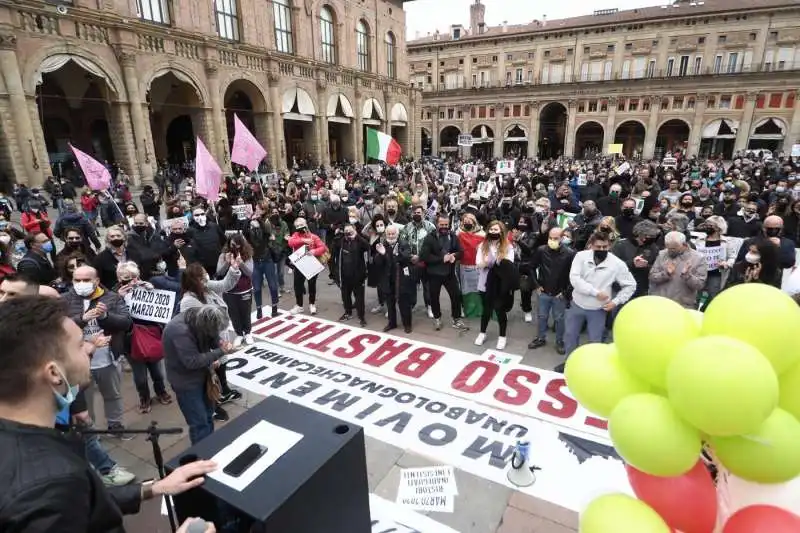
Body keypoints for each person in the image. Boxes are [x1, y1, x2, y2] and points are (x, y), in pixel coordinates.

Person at [0, 296, 219, 532]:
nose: (89, 347)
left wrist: (153, 488)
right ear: (54, 373)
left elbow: (85, 502)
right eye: (79, 344)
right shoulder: (50, 485)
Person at [62, 265, 134, 437]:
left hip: (107, 358)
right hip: (78, 362)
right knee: (84, 401)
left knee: (113, 395)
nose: (81, 284)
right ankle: (90, 432)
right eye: (77, 280)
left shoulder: (112, 298)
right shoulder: (63, 300)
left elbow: (126, 323)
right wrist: (81, 319)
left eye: (86, 280)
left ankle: (115, 426)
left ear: (96, 281)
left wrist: (105, 317)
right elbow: (57, 327)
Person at [163, 304, 236, 445]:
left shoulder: (202, 316)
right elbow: (192, 361)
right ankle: (202, 456)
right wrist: (221, 352)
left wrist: (220, 343)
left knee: (208, 415)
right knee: (199, 423)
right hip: (186, 383)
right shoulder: (179, 331)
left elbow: (212, 336)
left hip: (203, 376)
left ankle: (209, 447)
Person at [561, 231, 636, 369]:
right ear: (591, 245)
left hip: (598, 310)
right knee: (570, 335)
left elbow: (631, 285)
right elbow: (575, 279)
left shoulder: (617, 264)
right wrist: (595, 292)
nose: (602, 250)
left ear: (609, 246)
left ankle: (590, 367)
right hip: (577, 304)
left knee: (595, 341)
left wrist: (616, 301)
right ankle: (569, 362)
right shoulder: (580, 256)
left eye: (605, 247)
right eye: (598, 247)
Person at [179, 262, 243, 420]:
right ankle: (212, 405)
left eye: (205, 274)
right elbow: (199, 328)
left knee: (222, 363)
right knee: (208, 375)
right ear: (194, 280)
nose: (206, 278)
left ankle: (224, 391)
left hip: (219, 336)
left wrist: (234, 268)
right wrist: (211, 351)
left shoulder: (206, 287)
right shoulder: (189, 301)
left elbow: (225, 284)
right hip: (207, 342)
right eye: (202, 277)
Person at [115, 261, 173, 414]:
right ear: (119, 279)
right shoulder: (114, 295)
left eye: (135, 277)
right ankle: (144, 398)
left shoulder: (146, 289)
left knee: (157, 372)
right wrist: (118, 298)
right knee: (140, 376)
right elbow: (112, 318)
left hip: (151, 336)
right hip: (131, 341)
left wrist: (153, 292)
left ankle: (161, 392)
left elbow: (160, 312)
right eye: (127, 278)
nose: (132, 281)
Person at [527, 227, 576, 354]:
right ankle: (540, 338)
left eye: (555, 238)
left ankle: (560, 341)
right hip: (543, 291)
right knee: (542, 316)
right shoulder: (541, 250)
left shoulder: (570, 254)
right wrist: (536, 285)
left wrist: (565, 292)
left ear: (562, 238)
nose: (552, 240)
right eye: (550, 238)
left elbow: (574, 275)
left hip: (560, 294)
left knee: (559, 319)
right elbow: (531, 267)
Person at [420, 214, 468, 331]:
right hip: (434, 274)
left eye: (446, 224)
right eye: (442, 224)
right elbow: (424, 256)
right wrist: (441, 259)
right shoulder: (430, 238)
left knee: (456, 295)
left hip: (449, 273)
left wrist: (454, 256)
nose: (444, 227)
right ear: (437, 224)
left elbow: (461, 251)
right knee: (434, 297)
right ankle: (437, 318)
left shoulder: (453, 236)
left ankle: (456, 319)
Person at [474, 221, 515, 350]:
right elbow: (478, 264)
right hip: (485, 283)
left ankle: (502, 337)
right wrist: (489, 263)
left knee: (500, 311)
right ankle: (482, 333)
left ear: (501, 232)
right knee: (486, 310)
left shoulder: (508, 247)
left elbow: (508, 265)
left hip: (500, 284)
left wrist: (493, 262)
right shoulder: (482, 245)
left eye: (496, 230)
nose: (493, 232)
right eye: (491, 229)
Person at [649, 232, 708, 309]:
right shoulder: (662, 254)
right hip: (661, 303)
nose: (670, 251)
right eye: (668, 248)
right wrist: (666, 274)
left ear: (684, 244)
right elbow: (652, 277)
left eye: (673, 248)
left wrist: (687, 275)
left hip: (683, 305)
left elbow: (699, 285)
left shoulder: (698, 258)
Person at [217, 233, 255, 346]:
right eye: (233, 245)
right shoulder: (223, 256)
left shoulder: (247, 255)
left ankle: (247, 333)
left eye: (238, 245)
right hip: (229, 291)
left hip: (244, 289)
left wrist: (241, 263)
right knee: (234, 314)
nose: (235, 248)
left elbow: (250, 272)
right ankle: (239, 334)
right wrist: (227, 262)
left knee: (245, 313)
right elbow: (219, 272)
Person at [287, 217, 328, 315]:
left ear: (306, 225)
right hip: (299, 265)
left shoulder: (313, 236)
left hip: (312, 264)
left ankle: (312, 304)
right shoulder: (296, 235)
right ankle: (299, 305)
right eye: (297, 226)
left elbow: (323, 247)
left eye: (301, 225)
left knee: (311, 285)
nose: (299, 227)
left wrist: (314, 251)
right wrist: (303, 241)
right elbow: (290, 242)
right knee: (298, 285)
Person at [337, 223, 370, 326]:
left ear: (354, 230)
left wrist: (356, 236)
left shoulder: (359, 240)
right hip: (344, 275)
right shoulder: (341, 241)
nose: (348, 233)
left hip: (358, 275)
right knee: (345, 296)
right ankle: (348, 312)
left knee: (359, 297)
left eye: (350, 231)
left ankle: (361, 316)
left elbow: (367, 246)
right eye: (346, 231)